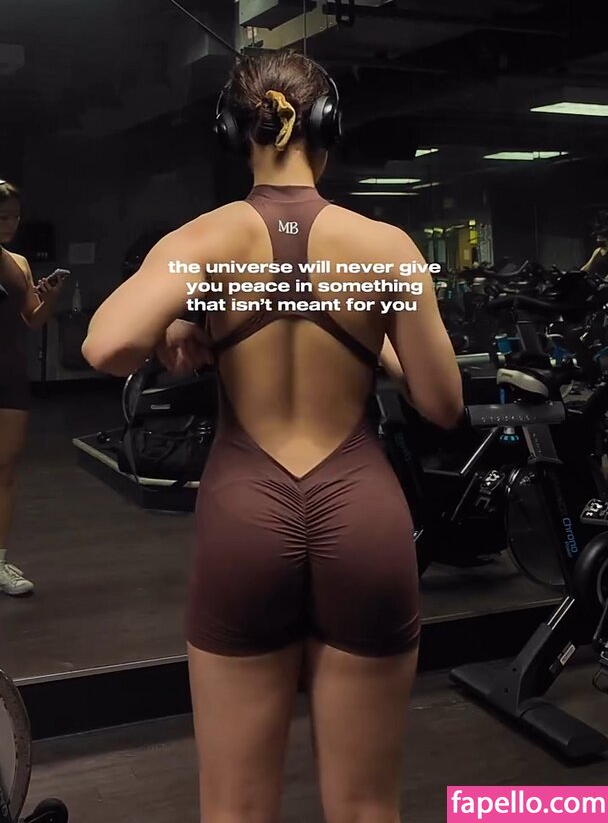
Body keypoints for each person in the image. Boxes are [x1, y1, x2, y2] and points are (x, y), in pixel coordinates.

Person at [82, 51, 463, 823]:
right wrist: (371, 340)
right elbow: (441, 404)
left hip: (245, 511)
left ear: (234, 132)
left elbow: (106, 347)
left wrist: (175, 326)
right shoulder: (385, 246)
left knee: (235, 809)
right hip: (360, 510)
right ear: (328, 126)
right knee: (365, 806)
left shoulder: (207, 237)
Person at [0, 180, 67, 596]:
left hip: (8, 374)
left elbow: (32, 320)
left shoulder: (19, 263)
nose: (10, 224)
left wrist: (50, 298)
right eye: (2, 217)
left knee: (5, 470)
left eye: (14, 217)